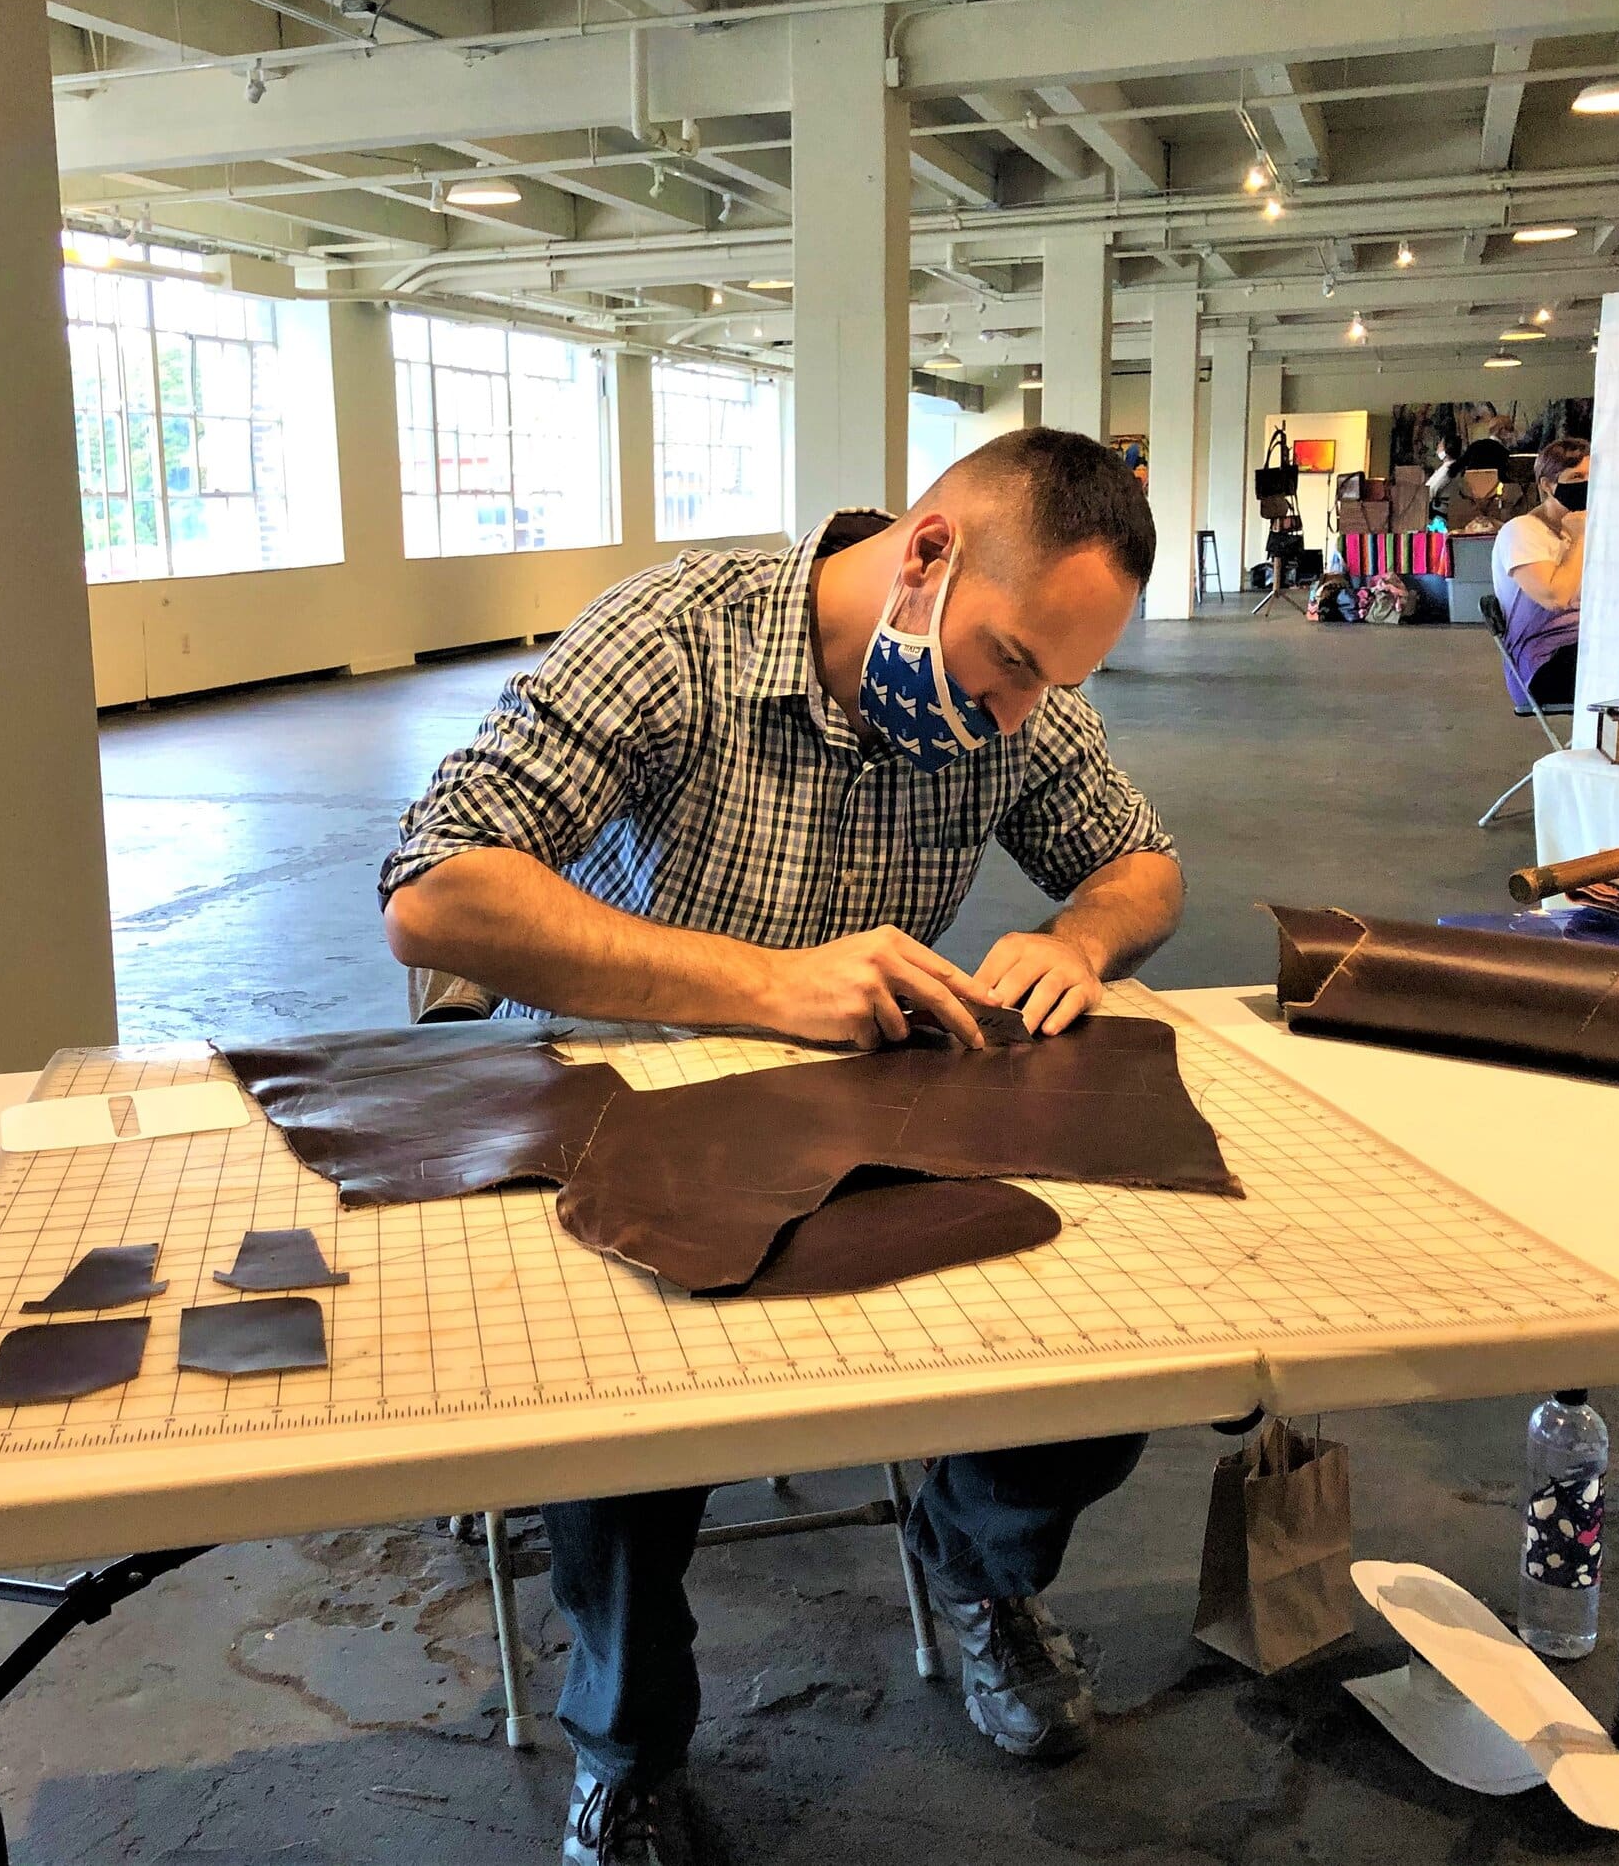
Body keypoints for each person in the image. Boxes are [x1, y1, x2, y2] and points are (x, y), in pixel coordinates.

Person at [378, 429, 1184, 1865]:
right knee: (625, 1413)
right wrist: (764, 983)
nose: (1015, 718)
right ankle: (628, 1748)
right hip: (642, 1093)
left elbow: (1143, 860)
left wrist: (1076, 931)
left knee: (1122, 1331)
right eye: (1008, 665)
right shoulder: (680, 637)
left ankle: (973, 1557)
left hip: (861, 1103)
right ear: (929, 554)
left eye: (1053, 685)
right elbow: (436, 890)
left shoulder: (1016, 690)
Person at [1490, 437, 1589, 705]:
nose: (1586, 485)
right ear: (1547, 485)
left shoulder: (1590, 526)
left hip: (1587, 648)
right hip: (1544, 663)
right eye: (1576, 476)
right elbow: (1555, 597)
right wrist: (1580, 538)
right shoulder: (1521, 531)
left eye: (1592, 476)